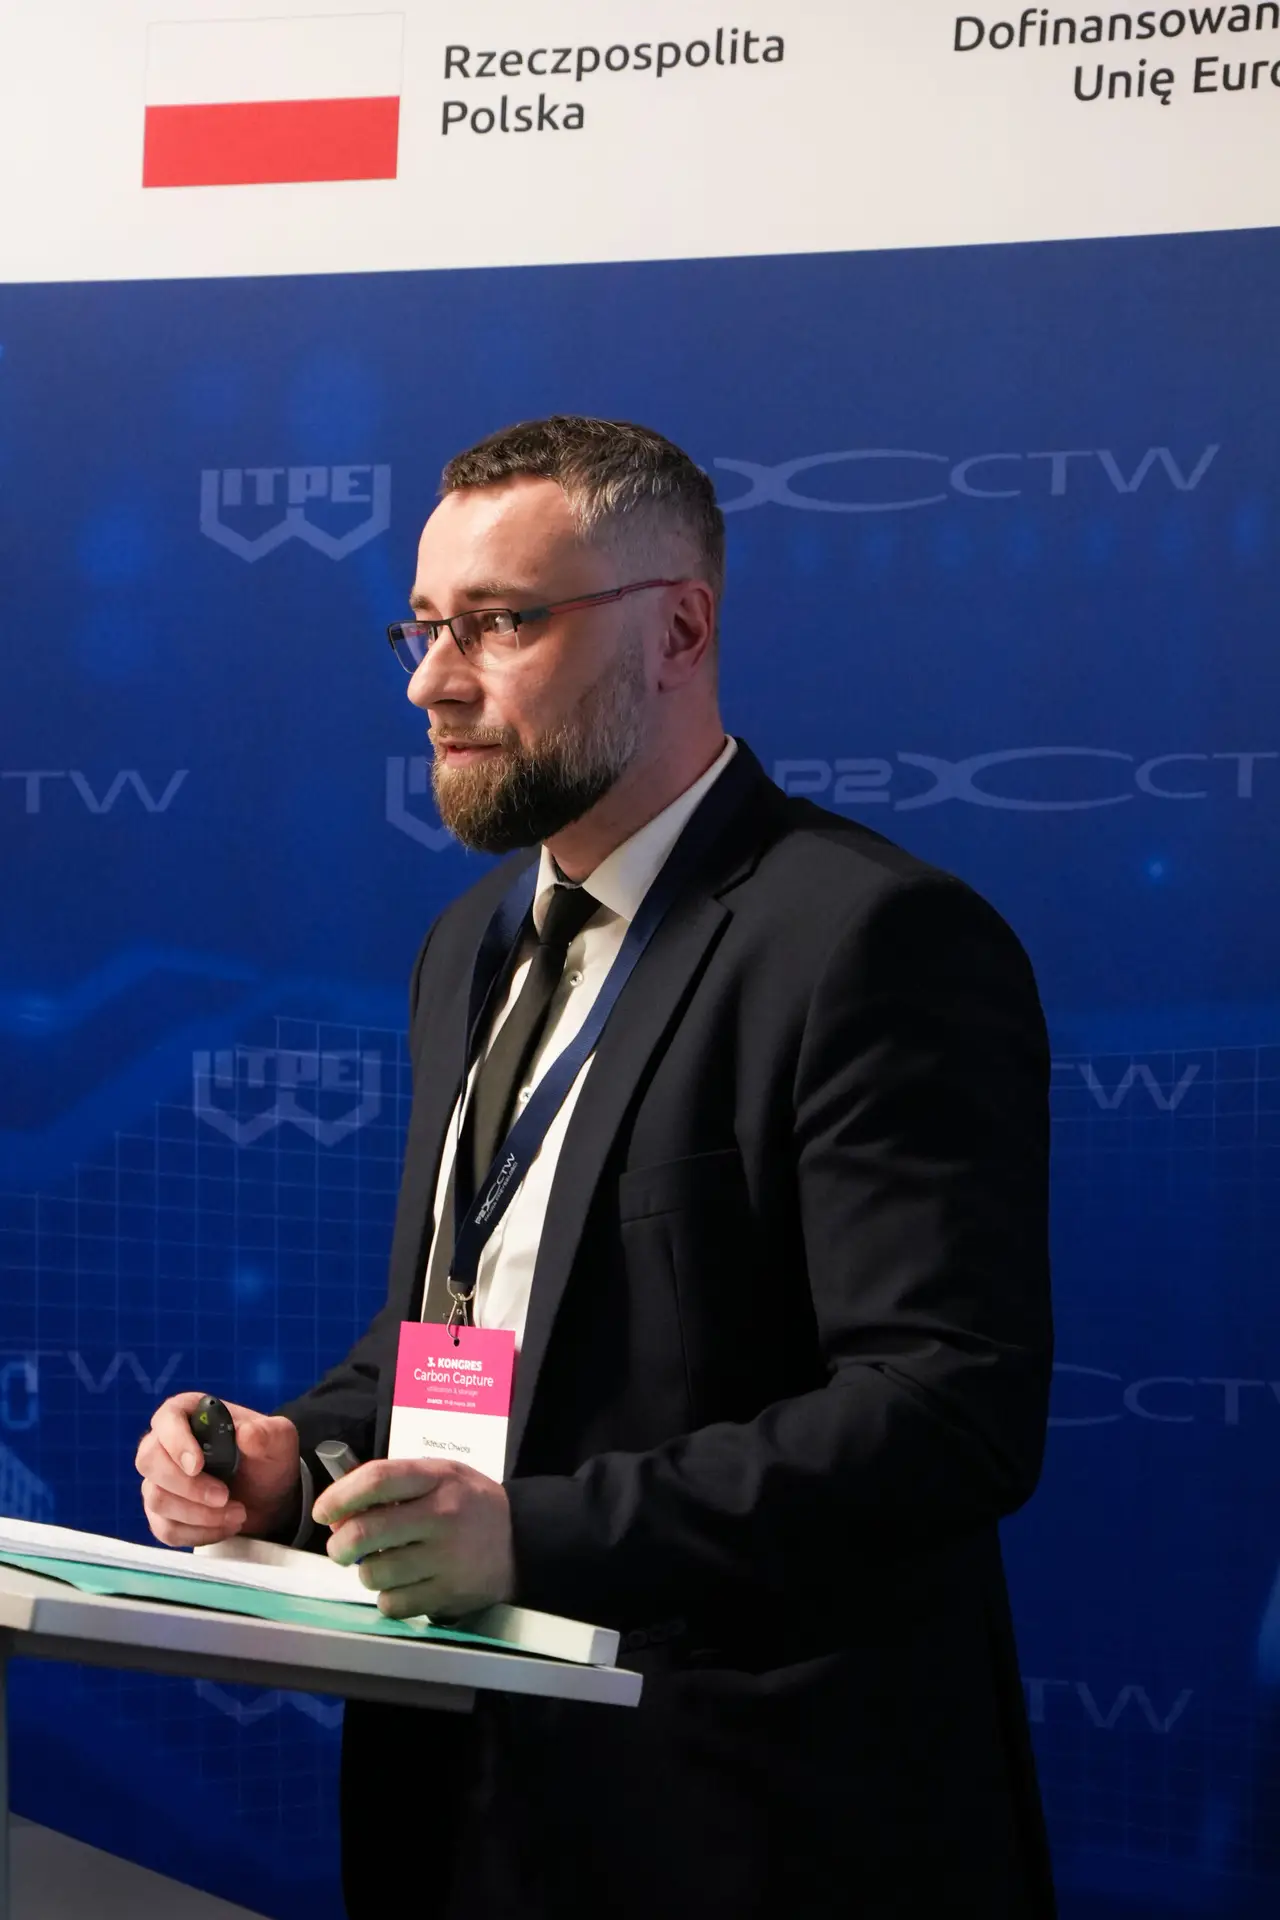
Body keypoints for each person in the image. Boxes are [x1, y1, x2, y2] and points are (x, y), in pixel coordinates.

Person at [137, 415, 1055, 1918]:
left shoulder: (867, 939)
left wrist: (530, 1538)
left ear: (679, 628)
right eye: (424, 626)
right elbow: (467, 1335)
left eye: (500, 623)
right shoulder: (472, 944)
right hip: (465, 1802)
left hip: (749, 1829)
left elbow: (943, 1413)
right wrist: (296, 1461)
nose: (433, 681)